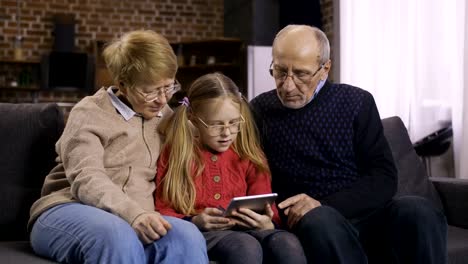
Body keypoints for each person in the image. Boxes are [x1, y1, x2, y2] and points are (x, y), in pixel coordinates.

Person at [250, 25, 448, 264]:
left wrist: (324, 203)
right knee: (320, 219)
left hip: (364, 214)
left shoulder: (357, 102)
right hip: (315, 224)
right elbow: (253, 178)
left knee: (419, 211)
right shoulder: (260, 110)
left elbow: (384, 178)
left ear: (325, 69)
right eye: (280, 71)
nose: (288, 85)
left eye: (301, 74)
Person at [28, 30, 208, 264]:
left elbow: (199, 146)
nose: (162, 99)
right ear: (123, 84)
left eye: (168, 87)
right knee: (117, 236)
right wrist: (134, 214)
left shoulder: (164, 115)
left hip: (138, 217)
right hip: (69, 207)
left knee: (187, 237)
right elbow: (87, 178)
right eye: (151, 91)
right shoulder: (89, 113)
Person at [155, 72, 306, 264]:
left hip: (247, 229)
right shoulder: (177, 152)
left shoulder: (248, 152)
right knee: (244, 246)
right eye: (215, 125)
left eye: (234, 123)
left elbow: (268, 207)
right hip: (205, 233)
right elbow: (163, 209)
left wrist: (267, 222)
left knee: (287, 242)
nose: (226, 133)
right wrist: (195, 221)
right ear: (192, 118)